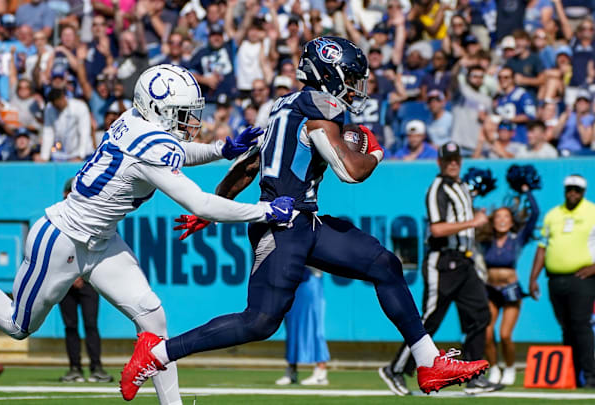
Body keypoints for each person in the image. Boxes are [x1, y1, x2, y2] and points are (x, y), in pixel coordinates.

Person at [0, 64, 295, 405]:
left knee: (153, 317)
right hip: (62, 239)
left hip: (101, 241)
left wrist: (220, 150)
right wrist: (264, 209)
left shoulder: (134, 122)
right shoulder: (150, 142)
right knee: (18, 324)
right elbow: (202, 205)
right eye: (182, 113)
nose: (190, 121)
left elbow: (173, 150)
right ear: (158, 109)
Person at [119, 37, 490, 402]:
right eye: (350, 76)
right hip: (282, 226)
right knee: (260, 321)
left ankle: (428, 362)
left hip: (306, 222)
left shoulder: (285, 107)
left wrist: (214, 207)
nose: (355, 87)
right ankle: (156, 355)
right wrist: (375, 152)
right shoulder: (319, 109)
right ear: (330, 74)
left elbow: (248, 165)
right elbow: (349, 171)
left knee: (385, 264)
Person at [381, 142, 503, 396]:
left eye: (456, 158)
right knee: (429, 320)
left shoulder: (461, 187)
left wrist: (479, 224)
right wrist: (474, 221)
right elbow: (437, 229)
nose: (453, 163)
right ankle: (396, 368)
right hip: (443, 262)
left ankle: (473, 377)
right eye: (448, 159)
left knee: (480, 314)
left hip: (464, 260)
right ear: (439, 162)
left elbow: (465, 225)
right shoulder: (438, 188)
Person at [529, 175, 595, 388]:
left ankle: (590, 375)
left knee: (581, 325)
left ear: (583, 191)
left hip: (582, 278)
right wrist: (533, 278)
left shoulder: (592, 211)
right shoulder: (553, 215)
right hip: (555, 279)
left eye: (577, 189)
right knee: (566, 328)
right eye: (569, 189)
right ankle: (574, 376)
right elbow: (542, 247)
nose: (572, 193)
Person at [481, 185, 539, 385]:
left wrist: (527, 191)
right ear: (493, 221)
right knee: (487, 333)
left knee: (505, 334)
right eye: (498, 217)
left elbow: (535, 214)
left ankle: (510, 367)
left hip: (510, 290)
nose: (502, 221)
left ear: (512, 221)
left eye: (506, 217)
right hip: (490, 290)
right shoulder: (486, 240)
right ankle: (494, 368)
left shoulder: (517, 239)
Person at [58, 178, 112, 383]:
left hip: (88, 279)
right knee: (70, 325)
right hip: (65, 280)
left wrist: (80, 274)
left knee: (91, 324)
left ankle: (96, 367)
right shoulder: (59, 217)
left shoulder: (92, 216)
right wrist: (72, 275)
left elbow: (100, 247)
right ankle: (75, 368)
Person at [275, 268, 330, 386]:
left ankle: (321, 372)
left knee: (314, 326)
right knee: (291, 327)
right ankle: (291, 371)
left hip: (310, 282)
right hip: (292, 282)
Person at [40, 88, 93, 162]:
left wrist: (80, 155)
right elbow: (48, 133)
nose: (59, 104)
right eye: (56, 104)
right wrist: (44, 157)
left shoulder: (80, 107)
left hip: (84, 153)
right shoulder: (49, 109)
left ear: (63, 97)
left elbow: (84, 132)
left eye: (60, 101)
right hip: (63, 155)